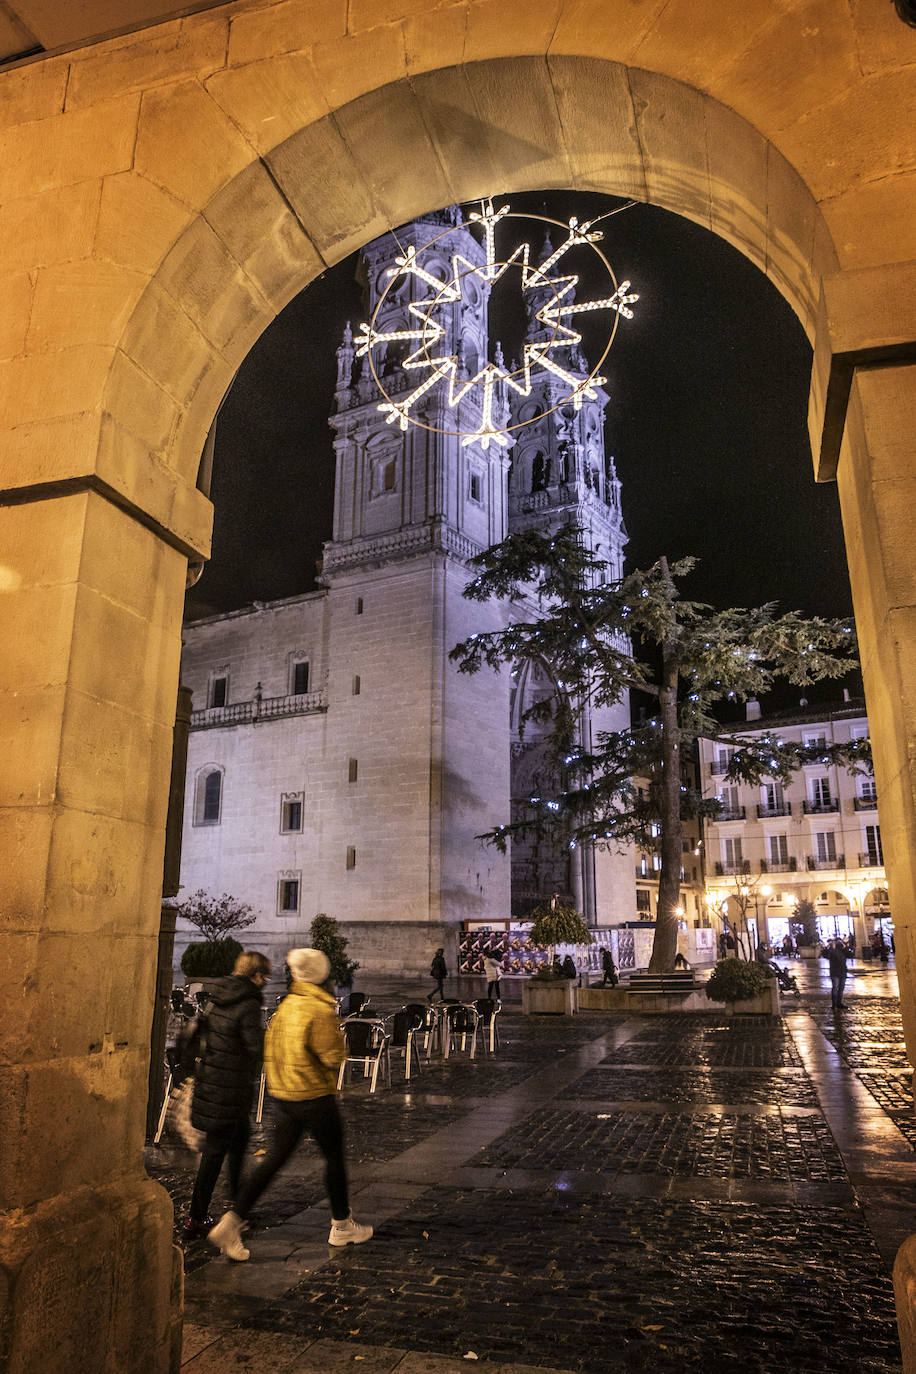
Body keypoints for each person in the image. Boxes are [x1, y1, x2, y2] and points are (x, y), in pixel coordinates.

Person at [208, 948, 372, 1261]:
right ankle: (341, 1225)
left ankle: (231, 1222)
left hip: (284, 1097)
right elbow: (332, 1057)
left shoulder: (287, 1006)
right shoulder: (319, 1009)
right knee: (334, 1158)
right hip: (313, 1095)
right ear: (322, 977)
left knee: (272, 1161)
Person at [182, 949, 271, 1239]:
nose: (265, 981)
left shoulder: (217, 996)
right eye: (264, 976)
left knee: (238, 1141)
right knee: (216, 1150)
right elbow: (255, 1048)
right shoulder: (246, 1004)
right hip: (229, 1089)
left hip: (213, 1082)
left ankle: (238, 1207)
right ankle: (197, 1217)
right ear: (255, 976)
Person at [822, 936, 851, 1010]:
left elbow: (850, 955)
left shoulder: (843, 950)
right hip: (835, 972)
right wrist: (827, 948)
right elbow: (826, 955)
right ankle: (834, 1004)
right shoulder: (832, 951)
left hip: (842, 971)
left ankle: (839, 1003)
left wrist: (845, 946)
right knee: (836, 987)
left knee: (840, 988)